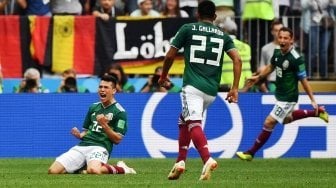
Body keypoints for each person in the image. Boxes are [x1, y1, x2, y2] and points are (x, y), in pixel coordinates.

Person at [158, 0, 242, 180]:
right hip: (211, 91)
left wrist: (164, 76)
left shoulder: (188, 28)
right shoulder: (223, 35)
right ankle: (180, 162)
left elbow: (170, 55)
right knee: (184, 120)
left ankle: (207, 159)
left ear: (197, 15)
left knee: (193, 123)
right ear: (215, 17)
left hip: (192, 88)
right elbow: (237, 60)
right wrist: (235, 88)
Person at [236, 27, 329, 161]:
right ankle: (317, 113)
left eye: (286, 38)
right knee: (287, 119)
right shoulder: (277, 53)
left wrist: (312, 99)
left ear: (291, 40)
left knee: (269, 122)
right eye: (280, 37)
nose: (282, 40)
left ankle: (250, 153)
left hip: (289, 97)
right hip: (280, 94)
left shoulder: (296, 59)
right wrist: (259, 77)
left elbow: (303, 80)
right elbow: (271, 66)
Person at [48, 74, 136, 175]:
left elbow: (117, 139)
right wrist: (79, 135)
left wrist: (104, 125)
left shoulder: (120, 112)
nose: (102, 90)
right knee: (53, 171)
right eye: (100, 87)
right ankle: (83, 167)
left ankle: (122, 169)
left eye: (106, 87)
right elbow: (86, 131)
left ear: (114, 91)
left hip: (100, 147)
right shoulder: (93, 107)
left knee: (93, 170)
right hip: (83, 146)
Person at [217, 17, 252, 92]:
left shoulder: (220, 46)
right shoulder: (246, 47)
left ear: (225, 30)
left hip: (225, 88)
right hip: (244, 87)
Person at [301, 0, 332, 79]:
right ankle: (309, 74)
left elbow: (333, 6)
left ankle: (324, 74)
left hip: (326, 23)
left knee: (324, 50)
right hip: (312, 24)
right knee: (312, 50)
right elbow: (303, 6)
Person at [258, 19, 284, 92]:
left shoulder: (290, 49)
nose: (278, 33)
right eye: (276, 30)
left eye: (280, 30)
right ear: (272, 32)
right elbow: (262, 68)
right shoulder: (265, 49)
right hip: (272, 83)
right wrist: (263, 87)